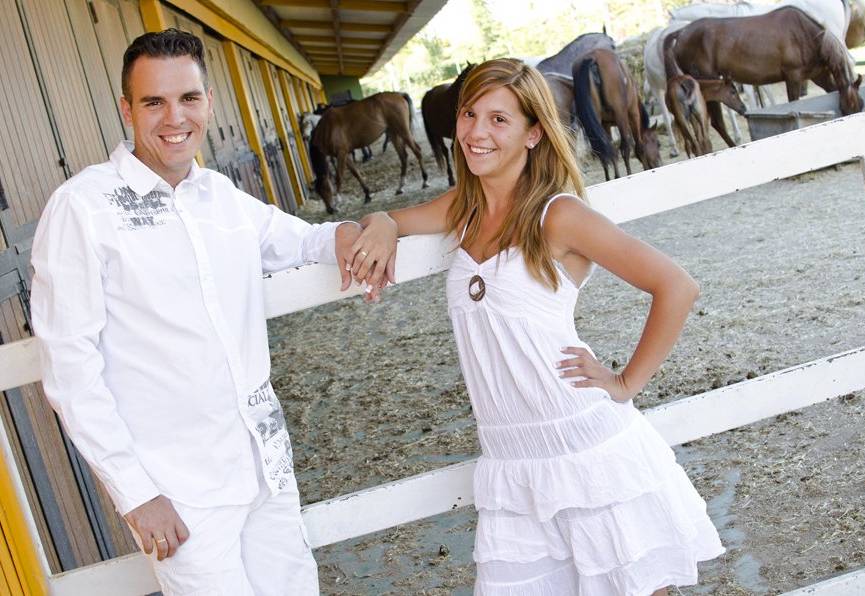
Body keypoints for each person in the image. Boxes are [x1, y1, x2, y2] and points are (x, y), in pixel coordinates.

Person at [29, 29, 390, 595]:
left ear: (209, 103)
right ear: (127, 110)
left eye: (189, 99)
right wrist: (136, 493)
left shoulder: (219, 197)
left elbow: (306, 241)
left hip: (264, 468)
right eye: (154, 102)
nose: (175, 118)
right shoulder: (83, 208)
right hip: (180, 492)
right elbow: (70, 367)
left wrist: (375, 226)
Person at [357, 59, 724, 595]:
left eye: (498, 120)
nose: (476, 132)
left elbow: (676, 286)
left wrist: (625, 383)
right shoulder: (463, 208)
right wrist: (384, 224)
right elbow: (390, 220)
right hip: (510, 461)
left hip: (582, 445)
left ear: (534, 133)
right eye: (469, 113)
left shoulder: (559, 215)